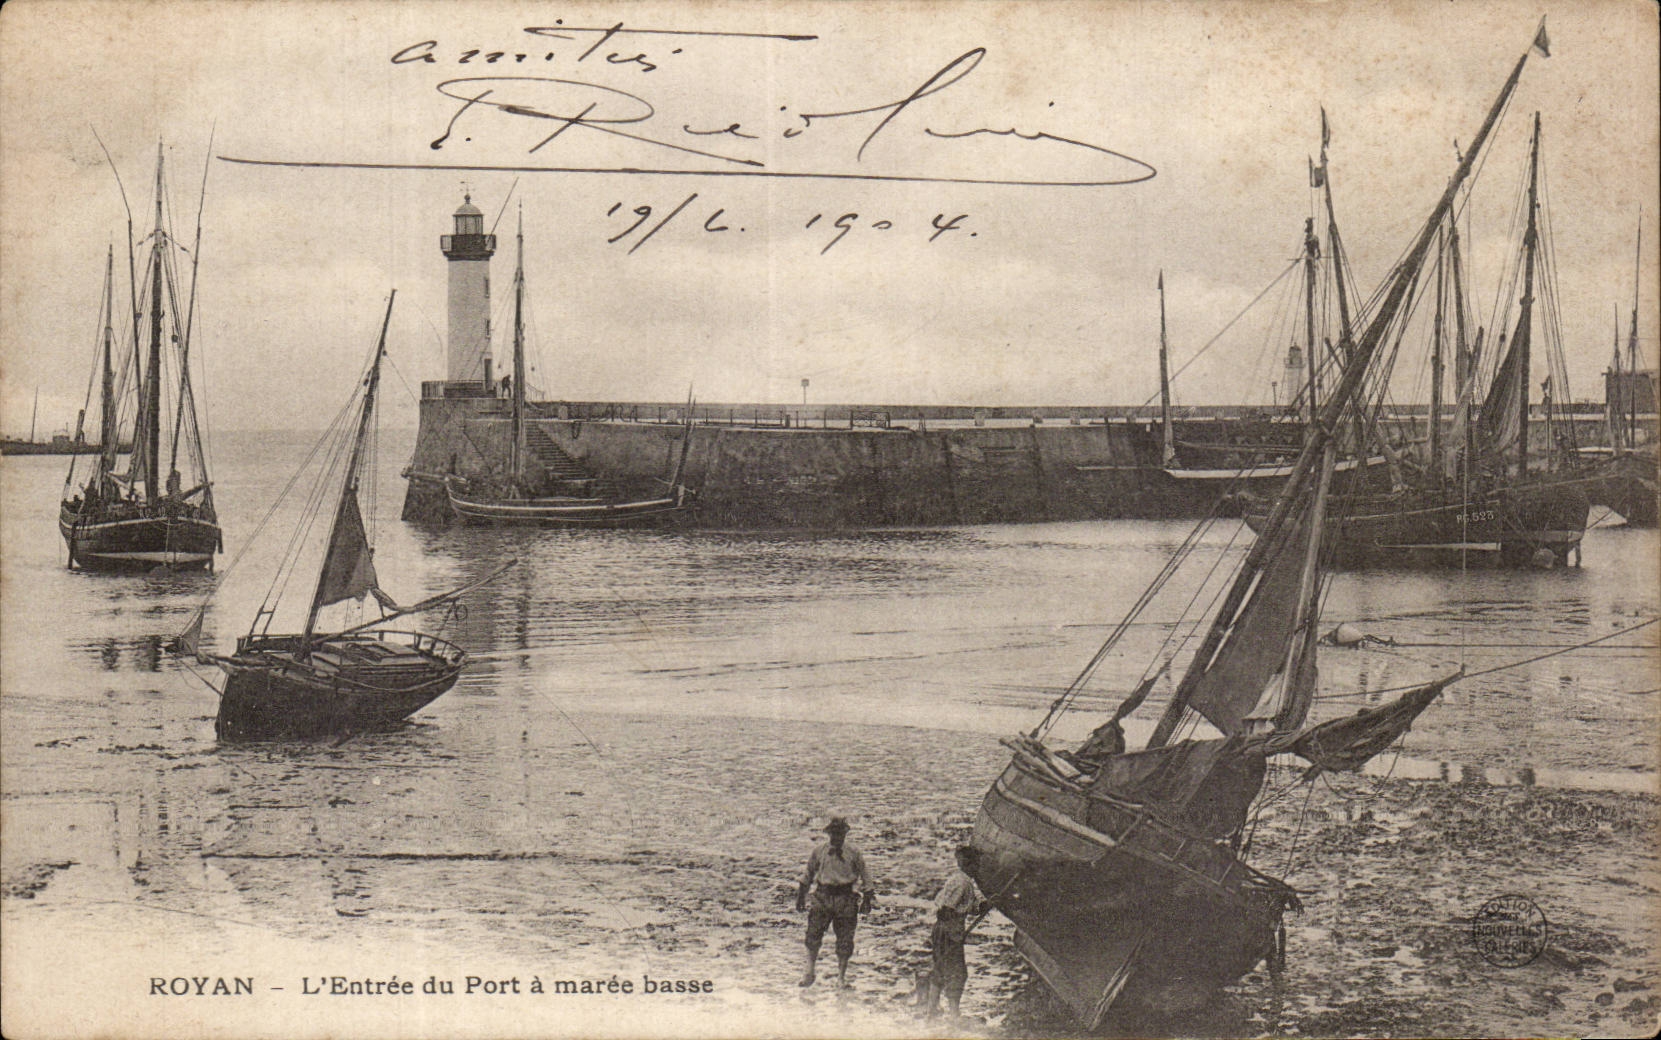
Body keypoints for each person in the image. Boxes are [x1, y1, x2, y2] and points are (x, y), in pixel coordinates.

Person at [795, 816, 874, 989]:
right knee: (813, 935)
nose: (837, 837)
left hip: (846, 898)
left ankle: (841, 977)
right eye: (834, 833)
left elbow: (866, 875)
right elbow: (807, 874)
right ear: (829, 834)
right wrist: (801, 896)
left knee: (845, 939)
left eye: (841, 833)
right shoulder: (819, 851)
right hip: (822, 896)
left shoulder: (854, 852)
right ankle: (809, 972)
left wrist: (867, 898)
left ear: (845, 834)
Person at [921, 846, 985, 1019]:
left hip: (944, 929)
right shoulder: (962, 883)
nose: (978, 867)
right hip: (948, 931)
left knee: (940, 969)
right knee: (957, 972)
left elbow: (968, 907)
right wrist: (954, 935)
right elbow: (946, 911)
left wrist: (984, 905)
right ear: (968, 864)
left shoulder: (960, 880)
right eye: (976, 863)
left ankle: (931, 1011)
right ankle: (954, 1014)